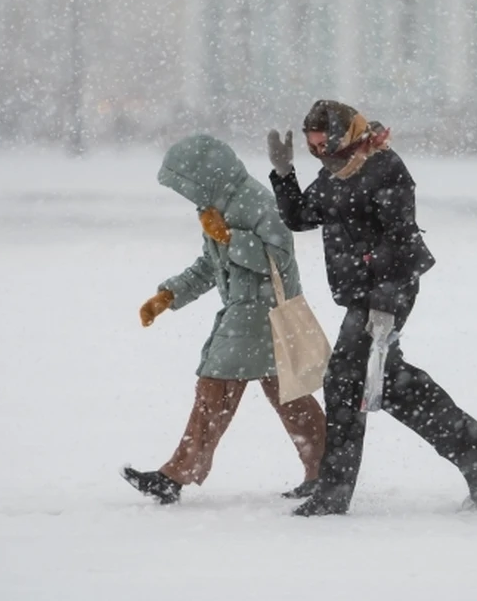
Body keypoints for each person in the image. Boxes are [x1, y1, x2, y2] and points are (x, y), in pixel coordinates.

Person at [267, 100, 477, 517]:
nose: (318, 150)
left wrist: (384, 308)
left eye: (322, 140)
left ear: (344, 132)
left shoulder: (383, 167)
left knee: (344, 382)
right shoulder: (334, 173)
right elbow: (303, 217)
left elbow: (400, 241)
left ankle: (334, 491)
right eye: (311, 144)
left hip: (389, 289)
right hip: (361, 294)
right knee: (391, 384)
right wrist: (285, 175)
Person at [123, 134, 326, 505]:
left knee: (214, 388)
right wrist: (169, 295)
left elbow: (279, 258)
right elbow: (210, 266)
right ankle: (326, 470)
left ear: (204, 176)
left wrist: (231, 237)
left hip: (259, 312)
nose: (186, 195)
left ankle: (176, 474)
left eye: (186, 185)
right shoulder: (216, 205)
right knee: (288, 395)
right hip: (249, 313)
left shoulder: (254, 200)